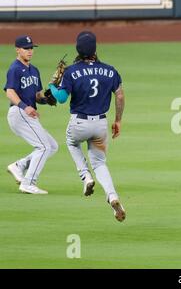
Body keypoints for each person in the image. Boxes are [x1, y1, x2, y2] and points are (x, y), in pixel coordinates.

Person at [48, 31, 126, 222]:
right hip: (100, 125)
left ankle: (85, 177)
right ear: (95, 49)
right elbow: (120, 95)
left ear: (78, 49)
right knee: (99, 163)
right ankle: (113, 197)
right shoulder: (110, 70)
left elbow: (61, 98)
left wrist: (51, 85)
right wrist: (118, 120)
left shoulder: (72, 71)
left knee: (72, 143)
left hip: (79, 123)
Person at [4, 35, 58, 194]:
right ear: (17, 50)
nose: (30, 51)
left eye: (31, 48)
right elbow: (10, 92)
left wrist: (47, 99)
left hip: (28, 114)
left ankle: (19, 165)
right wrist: (24, 106)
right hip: (19, 112)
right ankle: (28, 182)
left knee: (52, 146)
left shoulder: (34, 70)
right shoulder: (14, 69)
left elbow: (36, 96)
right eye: (26, 48)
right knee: (43, 146)